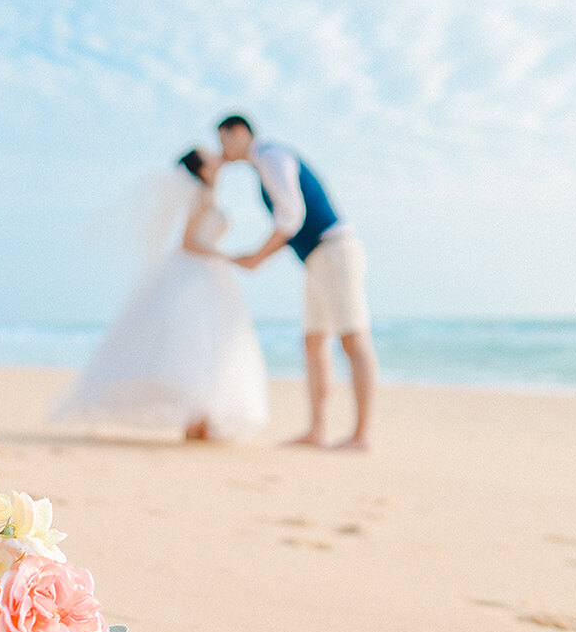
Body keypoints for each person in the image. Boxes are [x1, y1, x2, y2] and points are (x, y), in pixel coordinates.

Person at [51, 149, 269, 442]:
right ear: (203, 169)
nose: (218, 157)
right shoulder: (201, 196)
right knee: (199, 343)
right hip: (199, 274)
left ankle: (201, 418)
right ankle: (198, 420)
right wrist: (227, 257)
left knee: (206, 344)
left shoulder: (207, 195)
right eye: (210, 157)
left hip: (208, 276)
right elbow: (189, 241)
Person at [219, 115, 377, 450]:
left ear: (240, 132)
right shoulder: (264, 164)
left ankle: (362, 435)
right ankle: (317, 430)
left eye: (224, 140)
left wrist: (258, 257)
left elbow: (291, 216)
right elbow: (291, 221)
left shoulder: (272, 157)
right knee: (314, 342)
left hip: (335, 251)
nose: (223, 150)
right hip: (318, 259)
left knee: (353, 339)